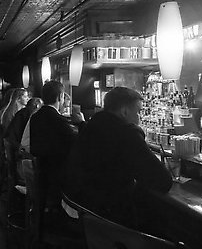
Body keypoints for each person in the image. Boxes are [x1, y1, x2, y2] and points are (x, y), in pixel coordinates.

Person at [63, 86, 173, 229]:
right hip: (104, 222)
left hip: (76, 208)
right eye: (138, 111)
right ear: (124, 111)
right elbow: (162, 180)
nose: (139, 117)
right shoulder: (126, 133)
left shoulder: (91, 126)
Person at [29, 80, 76, 211]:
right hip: (56, 177)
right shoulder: (59, 120)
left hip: (41, 172)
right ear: (60, 97)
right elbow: (75, 144)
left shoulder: (36, 116)